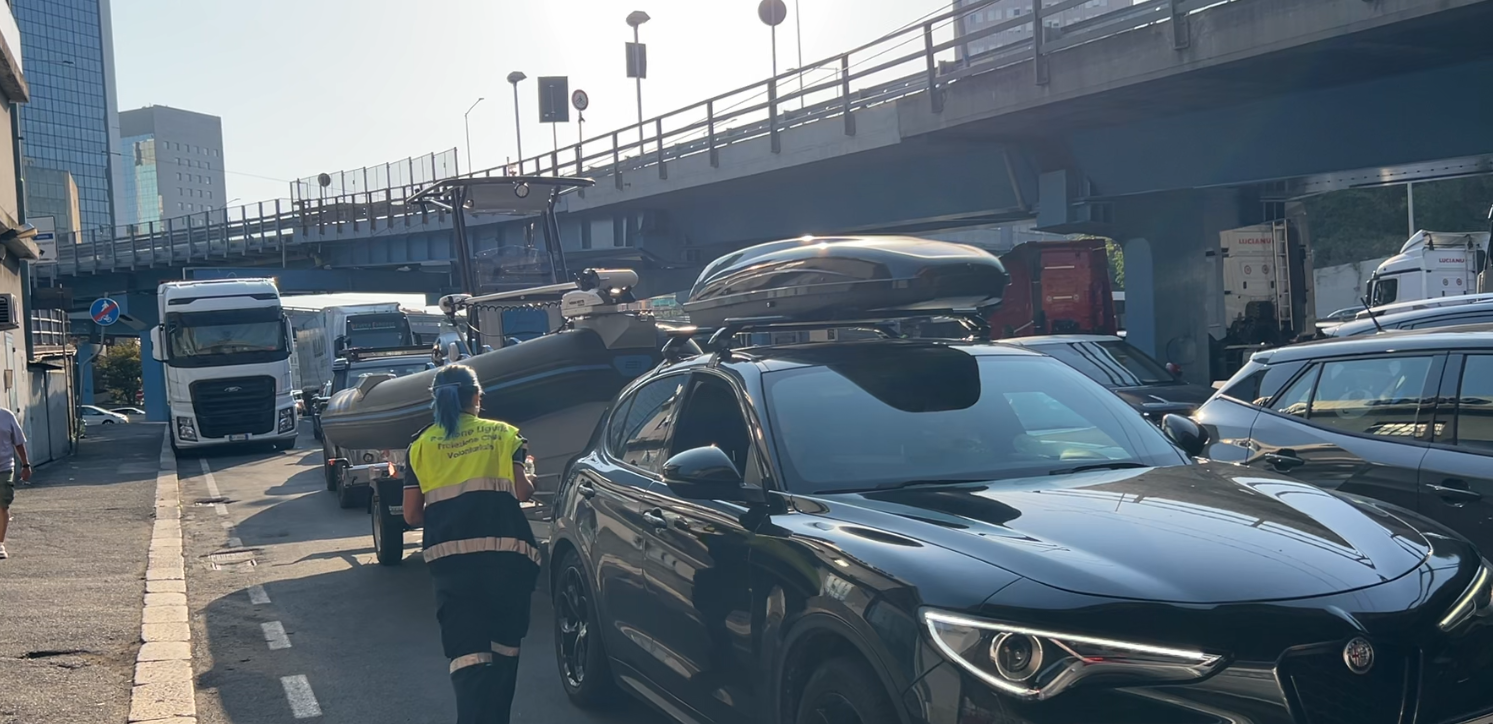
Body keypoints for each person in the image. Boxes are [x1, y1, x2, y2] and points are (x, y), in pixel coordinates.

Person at [402, 365, 539, 724]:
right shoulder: (504, 435)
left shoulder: (421, 446)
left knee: (468, 659)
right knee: (505, 653)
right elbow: (523, 491)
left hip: (452, 567)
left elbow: (412, 515)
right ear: (477, 396)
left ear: (436, 399)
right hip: (507, 562)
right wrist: (530, 475)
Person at [0, 406, 32, 560]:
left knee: (2, 503)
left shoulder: (6, 416)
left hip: (3, 467)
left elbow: (18, 442)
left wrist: (25, 465)